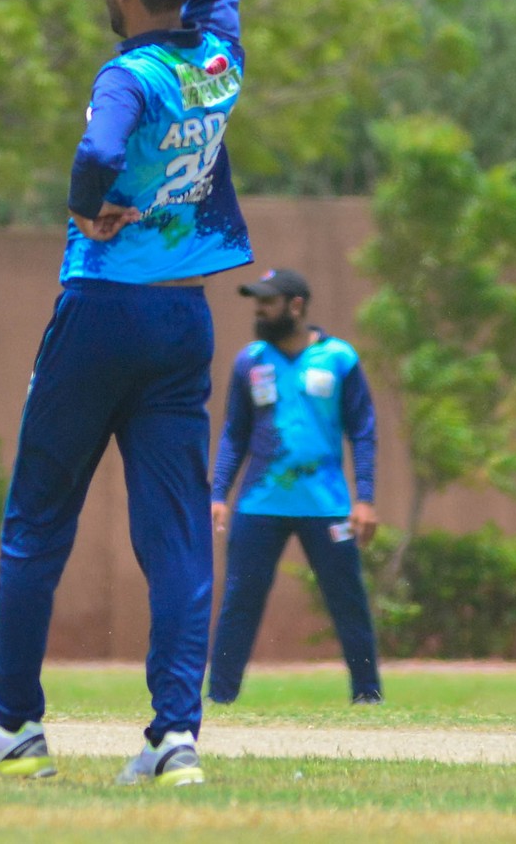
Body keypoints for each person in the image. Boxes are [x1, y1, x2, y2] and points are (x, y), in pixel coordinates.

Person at [0, 0, 252, 787]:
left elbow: (100, 154)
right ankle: (174, 738)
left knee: (37, 523)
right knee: (176, 536)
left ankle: (12, 725)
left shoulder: (127, 76)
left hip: (103, 313)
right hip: (183, 320)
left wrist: (84, 205)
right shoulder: (219, 60)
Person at [207, 267, 383, 705]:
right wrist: (218, 494)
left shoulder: (339, 357)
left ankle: (368, 696)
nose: (259, 310)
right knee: (239, 601)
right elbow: (234, 433)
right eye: (257, 302)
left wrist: (365, 498)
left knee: (348, 601)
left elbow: (362, 430)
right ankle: (221, 698)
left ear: (296, 305)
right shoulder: (251, 361)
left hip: (327, 505)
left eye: (268, 302)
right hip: (259, 505)